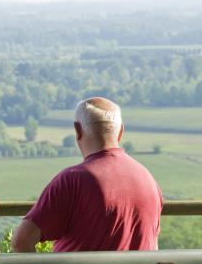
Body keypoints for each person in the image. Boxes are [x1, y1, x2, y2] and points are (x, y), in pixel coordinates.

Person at [12, 97, 162, 252]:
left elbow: (21, 241)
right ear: (120, 132)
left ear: (78, 130)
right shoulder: (148, 180)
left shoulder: (72, 180)